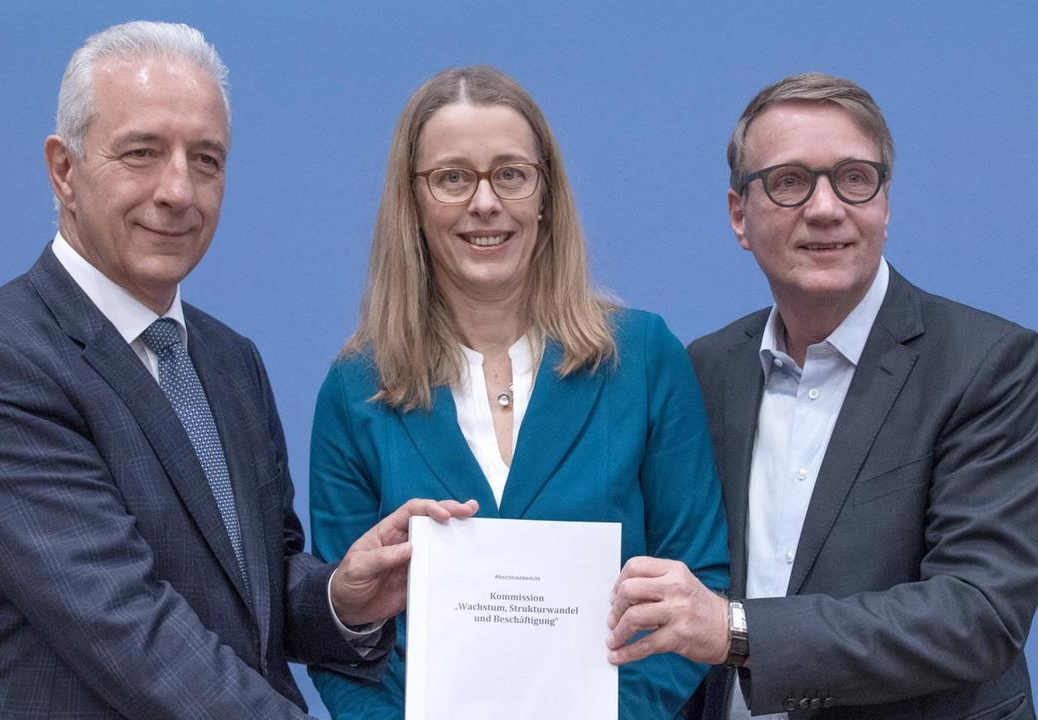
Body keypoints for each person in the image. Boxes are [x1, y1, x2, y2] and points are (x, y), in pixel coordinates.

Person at [0, 21, 476, 719]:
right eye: (142, 153)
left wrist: (340, 598)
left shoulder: (228, 360)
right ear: (64, 169)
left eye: (205, 160)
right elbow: (127, 627)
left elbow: (249, 589)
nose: (179, 190)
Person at [607, 72, 1038, 719]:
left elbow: (977, 614)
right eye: (790, 181)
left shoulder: (987, 364)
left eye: (853, 178)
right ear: (739, 214)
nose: (826, 208)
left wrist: (736, 631)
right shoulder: (702, 370)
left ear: (884, 204)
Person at [307, 65, 729, 719]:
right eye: (453, 178)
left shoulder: (644, 357)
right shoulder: (357, 389)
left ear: (545, 195)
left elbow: (696, 586)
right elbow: (346, 639)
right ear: (412, 203)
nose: (485, 202)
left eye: (510, 174)